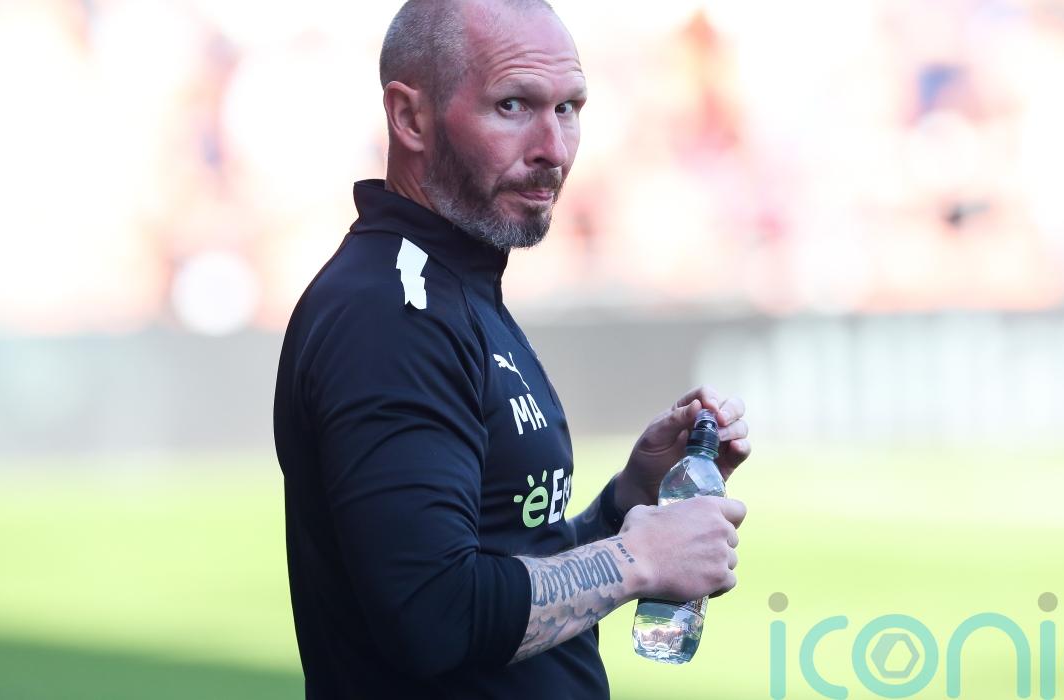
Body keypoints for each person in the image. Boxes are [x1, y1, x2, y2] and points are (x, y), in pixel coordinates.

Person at [272, 0, 752, 696]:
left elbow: (512, 563)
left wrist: (629, 499)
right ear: (410, 117)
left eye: (569, 108)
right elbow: (433, 614)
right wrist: (637, 560)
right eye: (513, 105)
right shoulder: (392, 313)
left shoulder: (454, 287)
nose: (553, 148)